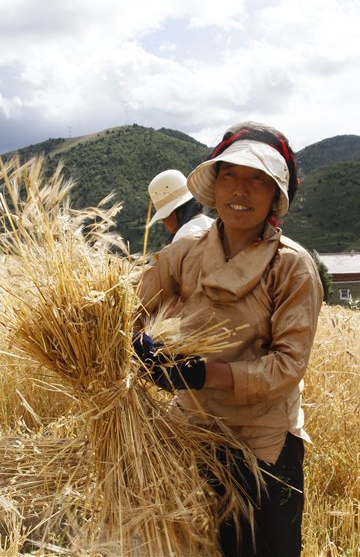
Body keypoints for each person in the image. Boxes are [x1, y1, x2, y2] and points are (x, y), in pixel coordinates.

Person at [135, 122, 323, 556]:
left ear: (276, 195)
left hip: (263, 445)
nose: (241, 189)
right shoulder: (185, 252)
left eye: (259, 179)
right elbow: (137, 310)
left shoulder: (291, 267)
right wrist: (142, 346)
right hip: (193, 433)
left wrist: (203, 374)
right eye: (230, 174)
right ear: (214, 184)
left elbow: (287, 367)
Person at [147, 169, 214, 243]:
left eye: (163, 219)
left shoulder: (183, 237)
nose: (167, 229)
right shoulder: (213, 225)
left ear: (173, 213)